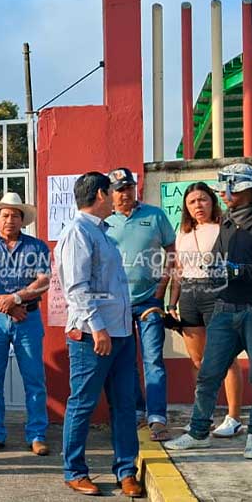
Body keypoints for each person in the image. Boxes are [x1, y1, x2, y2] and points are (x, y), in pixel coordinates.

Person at [165, 163, 252, 460]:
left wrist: (240, 270)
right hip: (224, 308)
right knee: (209, 373)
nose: (224, 194)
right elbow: (218, 258)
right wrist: (211, 266)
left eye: (230, 188)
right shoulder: (227, 223)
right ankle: (198, 433)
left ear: (248, 188)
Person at [56, 172, 143, 498]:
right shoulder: (78, 233)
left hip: (119, 333)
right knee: (83, 403)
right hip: (94, 336)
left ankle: (125, 471)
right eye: (113, 191)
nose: (119, 197)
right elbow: (77, 288)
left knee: (124, 404)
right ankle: (75, 471)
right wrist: (98, 327)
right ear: (101, 194)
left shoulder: (103, 233)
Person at [0, 195, 52, 455]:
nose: (9, 220)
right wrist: (4, 305)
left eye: (15, 215)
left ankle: (37, 435)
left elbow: (44, 281)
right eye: (4, 215)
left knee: (34, 378)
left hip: (27, 317)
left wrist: (16, 299)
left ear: (22, 220)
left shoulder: (37, 247)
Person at [103, 168, 177, 441]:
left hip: (149, 300)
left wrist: (162, 287)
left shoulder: (155, 216)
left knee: (153, 358)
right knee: (126, 361)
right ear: (110, 193)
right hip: (116, 304)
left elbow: (171, 251)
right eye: (120, 189)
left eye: (129, 188)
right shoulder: (104, 221)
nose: (125, 194)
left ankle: (157, 417)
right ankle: (136, 411)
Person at [168, 182, 246, 437]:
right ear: (186, 208)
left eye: (202, 200)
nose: (197, 205)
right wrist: (171, 303)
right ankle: (203, 415)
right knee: (198, 360)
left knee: (225, 357)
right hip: (189, 295)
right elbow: (177, 271)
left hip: (217, 292)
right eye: (192, 202)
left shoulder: (225, 227)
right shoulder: (183, 232)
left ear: (212, 201)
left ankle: (233, 417)